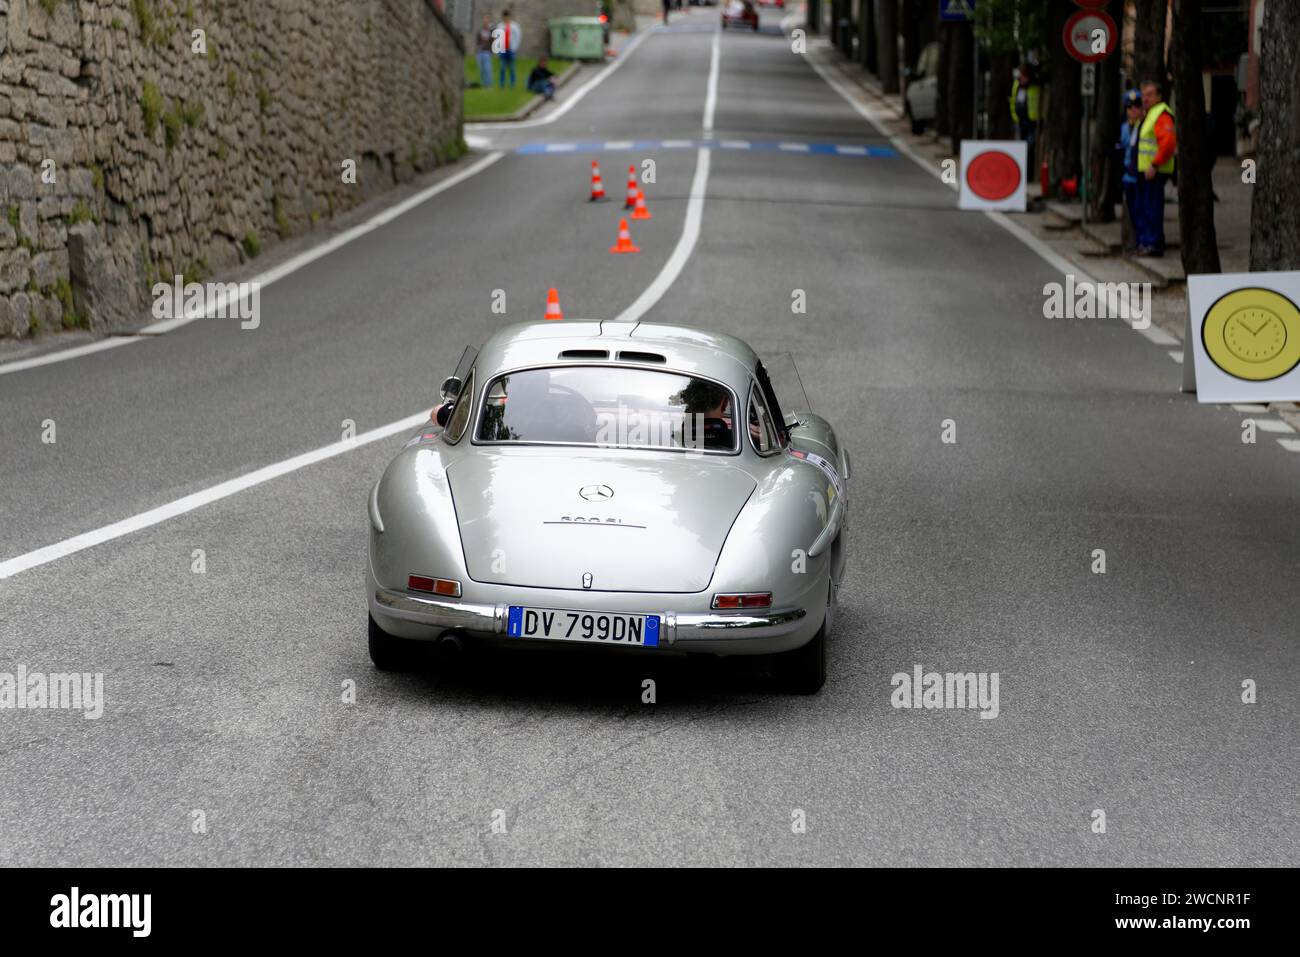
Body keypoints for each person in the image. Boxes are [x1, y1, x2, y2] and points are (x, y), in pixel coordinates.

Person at [1134, 79, 1176, 257]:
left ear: (1159, 96)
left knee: (1152, 209)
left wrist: (1154, 164)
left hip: (1155, 171)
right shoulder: (1149, 114)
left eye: (1150, 95)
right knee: (1146, 208)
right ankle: (1147, 242)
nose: (1145, 98)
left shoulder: (1161, 114)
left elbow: (1168, 143)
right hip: (1147, 171)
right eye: (1143, 95)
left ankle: (1153, 244)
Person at [1116, 89, 1144, 254]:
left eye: (1137, 106)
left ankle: (1139, 242)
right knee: (1131, 212)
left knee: (1141, 210)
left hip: (1140, 175)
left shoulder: (1143, 126)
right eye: (1130, 107)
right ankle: (1132, 242)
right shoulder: (1123, 128)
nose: (1134, 110)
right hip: (1127, 176)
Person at [1009, 63, 1041, 167]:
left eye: (1024, 75)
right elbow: (1013, 100)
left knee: (1029, 146)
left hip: (1031, 120)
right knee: (1021, 146)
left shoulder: (1034, 85)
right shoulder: (1017, 84)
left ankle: (1029, 169)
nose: (1022, 77)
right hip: (1020, 120)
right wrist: (1015, 116)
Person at [495, 9, 521, 89]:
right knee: (502, 67)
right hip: (503, 49)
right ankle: (502, 84)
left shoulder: (514, 26)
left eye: (507, 17)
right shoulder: (500, 26)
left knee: (512, 67)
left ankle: (512, 83)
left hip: (511, 49)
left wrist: (514, 47)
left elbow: (518, 37)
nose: (506, 19)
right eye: (504, 17)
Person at [475, 15, 494, 89]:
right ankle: (483, 83)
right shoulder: (480, 31)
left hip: (487, 52)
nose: (485, 22)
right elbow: (477, 41)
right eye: (484, 21)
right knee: (481, 69)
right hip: (480, 52)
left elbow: (492, 41)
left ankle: (489, 84)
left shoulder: (490, 31)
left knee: (488, 69)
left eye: (487, 21)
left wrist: (492, 51)